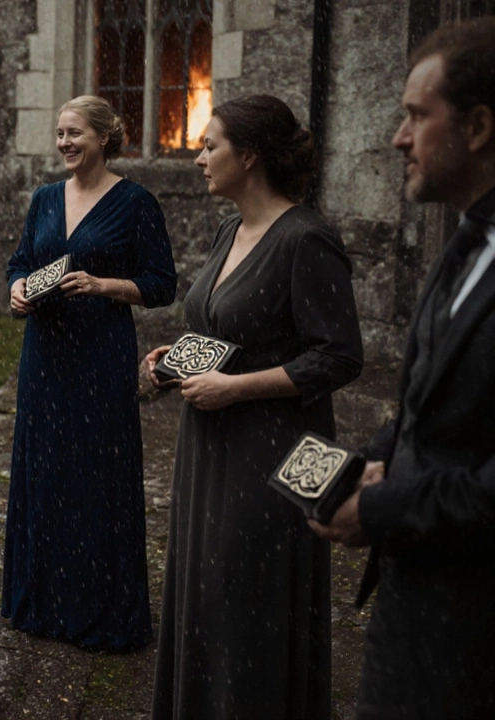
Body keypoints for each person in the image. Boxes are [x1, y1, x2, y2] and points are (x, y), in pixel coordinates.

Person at [144, 95, 363, 718]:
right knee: (202, 596)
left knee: (248, 600)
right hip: (206, 448)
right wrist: (176, 360)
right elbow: (227, 331)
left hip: (273, 453)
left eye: (209, 146)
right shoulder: (228, 229)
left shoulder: (307, 238)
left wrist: (235, 387)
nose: (199, 158)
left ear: (250, 155)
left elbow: (340, 356)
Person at [311, 17, 495, 718]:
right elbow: (429, 397)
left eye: (416, 116)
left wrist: (383, 508)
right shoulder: (464, 238)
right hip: (414, 619)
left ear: (477, 126)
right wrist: (373, 460)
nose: (397, 138)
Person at [3, 95, 176, 650]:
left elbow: (161, 284)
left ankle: (97, 611)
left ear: (104, 137)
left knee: (97, 474)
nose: (64, 143)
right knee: (44, 469)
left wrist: (103, 286)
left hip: (100, 354)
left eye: (75, 132)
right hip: (45, 354)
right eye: (59, 133)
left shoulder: (136, 202)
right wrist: (17, 289)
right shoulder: (45, 198)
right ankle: (41, 606)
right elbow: (22, 260)